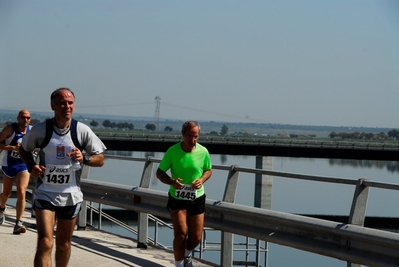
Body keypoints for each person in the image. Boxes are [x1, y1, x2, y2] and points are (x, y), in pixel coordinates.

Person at [19, 88, 106, 267]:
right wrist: (31, 166)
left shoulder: (81, 130)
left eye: (70, 103)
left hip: (71, 195)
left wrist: (85, 158)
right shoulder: (41, 129)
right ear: (53, 106)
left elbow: (101, 159)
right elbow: (23, 149)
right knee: (45, 241)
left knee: (64, 244)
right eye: (62, 103)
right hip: (45, 193)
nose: (67, 106)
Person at [156, 120, 212, 267]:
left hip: (197, 197)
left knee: (195, 238)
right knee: (181, 234)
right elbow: (160, 173)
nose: (192, 140)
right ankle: (179, 264)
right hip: (177, 198)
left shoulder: (203, 151)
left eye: (196, 137)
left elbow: (208, 170)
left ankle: (186, 255)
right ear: (182, 134)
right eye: (189, 136)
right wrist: (172, 181)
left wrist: (201, 180)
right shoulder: (172, 151)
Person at [0, 109, 32, 234]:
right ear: (18, 118)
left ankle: (18, 223)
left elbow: (35, 144)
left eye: (28, 117)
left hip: (23, 165)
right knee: (6, 193)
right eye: (23, 117)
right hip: (9, 164)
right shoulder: (10, 129)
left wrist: (31, 150)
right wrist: (12, 147)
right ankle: (1, 208)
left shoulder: (31, 130)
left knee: (22, 191)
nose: (26, 120)